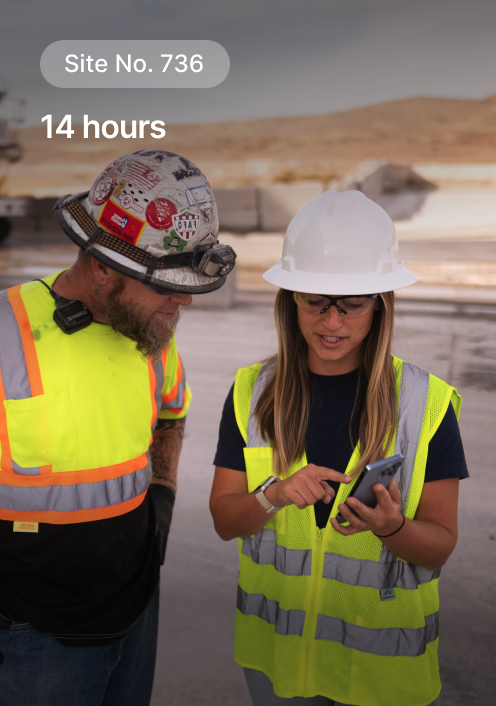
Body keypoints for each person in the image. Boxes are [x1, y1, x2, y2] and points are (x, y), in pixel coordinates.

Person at [210, 190, 468, 706]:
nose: (331, 323)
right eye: (315, 303)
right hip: (278, 665)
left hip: (381, 677)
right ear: (290, 299)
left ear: (380, 305)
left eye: (351, 306)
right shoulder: (250, 392)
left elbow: (440, 544)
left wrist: (392, 528)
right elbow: (224, 521)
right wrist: (273, 496)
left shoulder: (426, 402)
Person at [0, 150, 236, 706]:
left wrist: (163, 494)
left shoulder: (152, 332)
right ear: (102, 268)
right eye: (166, 287)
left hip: (136, 612)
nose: (181, 301)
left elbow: (171, 413)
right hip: (37, 638)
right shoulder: (7, 336)